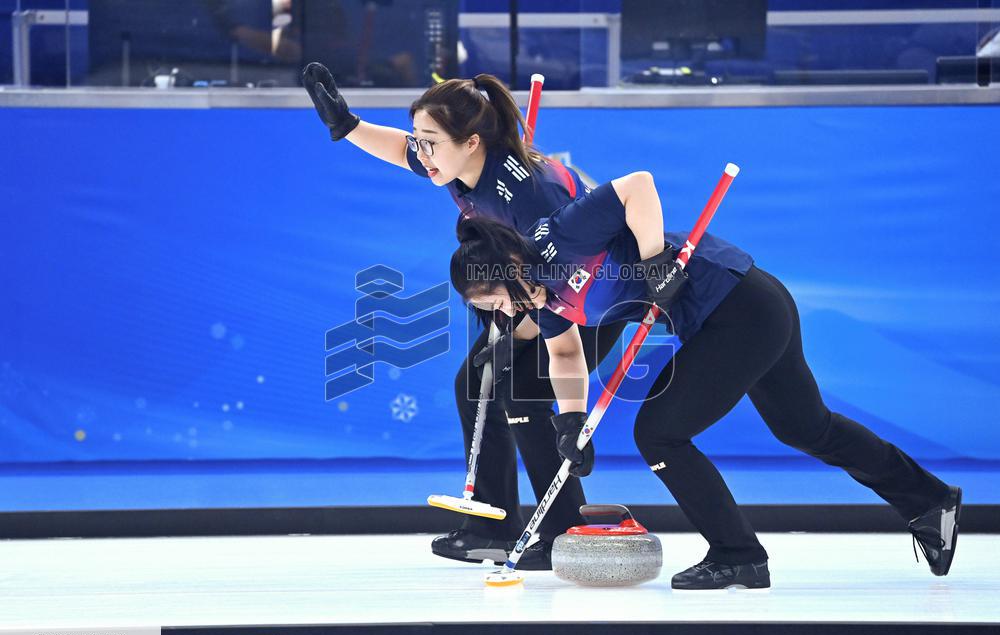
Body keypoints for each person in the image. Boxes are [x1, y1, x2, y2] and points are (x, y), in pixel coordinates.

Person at [449, 171, 962, 590]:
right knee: (807, 427)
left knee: (659, 434)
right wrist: (571, 422)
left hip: (741, 307)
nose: (503, 314)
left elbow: (637, 185)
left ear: (510, 266)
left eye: (495, 301)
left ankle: (738, 555)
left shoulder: (561, 235)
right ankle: (928, 500)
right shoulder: (543, 297)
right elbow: (564, 353)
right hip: (738, 314)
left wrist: (654, 261)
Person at [303, 62, 628, 568]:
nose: (421, 152)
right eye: (420, 140)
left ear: (471, 141)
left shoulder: (530, 194)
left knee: (521, 389)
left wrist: (517, 331)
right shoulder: (458, 164)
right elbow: (401, 150)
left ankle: (563, 531)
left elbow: (559, 284)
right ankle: (492, 526)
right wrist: (346, 125)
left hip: (589, 294)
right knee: (476, 382)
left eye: (430, 142)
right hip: (530, 288)